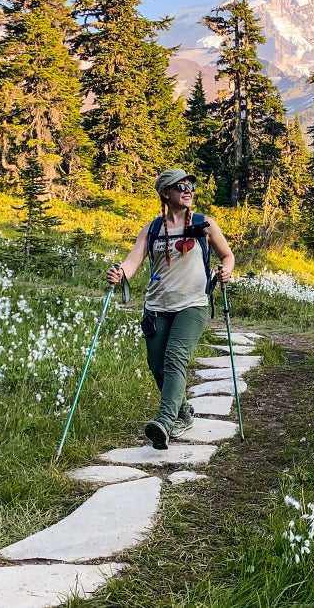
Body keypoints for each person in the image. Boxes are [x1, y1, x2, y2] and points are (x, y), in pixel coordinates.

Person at [106, 168, 234, 450]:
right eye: (181, 186)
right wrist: (120, 273)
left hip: (193, 304)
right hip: (156, 307)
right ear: (166, 193)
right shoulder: (152, 228)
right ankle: (183, 411)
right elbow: (133, 261)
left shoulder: (205, 224)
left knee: (174, 359)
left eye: (190, 185)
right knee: (157, 366)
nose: (188, 190)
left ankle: (164, 422)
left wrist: (225, 270)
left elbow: (227, 255)